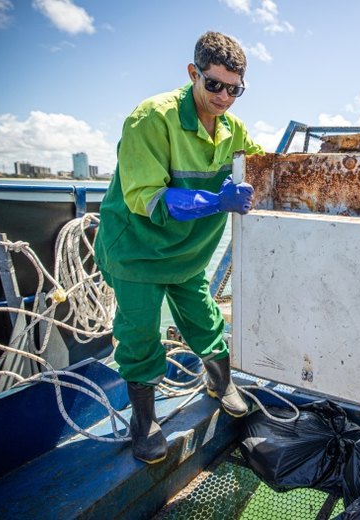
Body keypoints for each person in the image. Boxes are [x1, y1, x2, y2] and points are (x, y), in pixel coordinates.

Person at [95, 31, 263, 465]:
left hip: (188, 254)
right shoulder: (151, 118)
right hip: (137, 251)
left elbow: (264, 168)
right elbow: (146, 198)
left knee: (204, 319)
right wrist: (217, 202)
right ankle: (144, 420)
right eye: (215, 84)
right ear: (193, 73)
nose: (224, 97)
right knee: (139, 332)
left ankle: (221, 382)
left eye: (235, 89)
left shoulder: (234, 130)